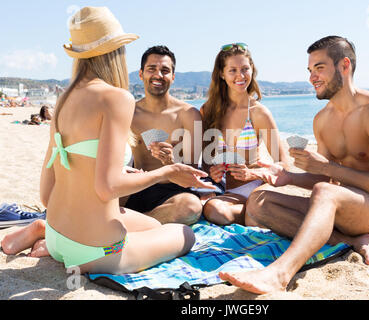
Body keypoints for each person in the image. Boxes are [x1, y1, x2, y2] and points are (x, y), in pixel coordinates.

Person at [1, 6, 214, 274]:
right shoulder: (116, 98)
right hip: (94, 251)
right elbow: (107, 187)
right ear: (115, 52)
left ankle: (42, 230)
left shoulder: (63, 99)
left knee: (154, 227)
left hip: (58, 237)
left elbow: (46, 194)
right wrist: (169, 171)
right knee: (185, 234)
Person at [219, 36, 369, 294]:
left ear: (344, 66)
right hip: (344, 206)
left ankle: (279, 274)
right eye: (310, 70)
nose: (312, 78)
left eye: (319, 68)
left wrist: (328, 169)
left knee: (325, 192)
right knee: (258, 201)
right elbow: (325, 179)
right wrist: (288, 177)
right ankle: (350, 240)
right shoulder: (323, 120)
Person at [200, 43, 289, 226]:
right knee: (213, 210)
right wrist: (213, 172)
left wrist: (252, 174)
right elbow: (207, 159)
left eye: (245, 69)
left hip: (259, 187)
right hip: (232, 192)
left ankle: (256, 215)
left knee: (222, 211)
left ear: (252, 70)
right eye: (232, 70)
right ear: (221, 74)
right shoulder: (209, 111)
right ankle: (254, 217)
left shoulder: (258, 112)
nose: (240, 76)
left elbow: (283, 162)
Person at [119, 45, 208, 225]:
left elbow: (191, 176)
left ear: (173, 77)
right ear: (141, 74)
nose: (158, 75)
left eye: (165, 70)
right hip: (136, 186)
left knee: (191, 207)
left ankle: (130, 224)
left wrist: (170, 164)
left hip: (172, 192)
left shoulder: (189, 114)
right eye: (152, 69)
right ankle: (136, 223)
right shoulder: (128, 113)